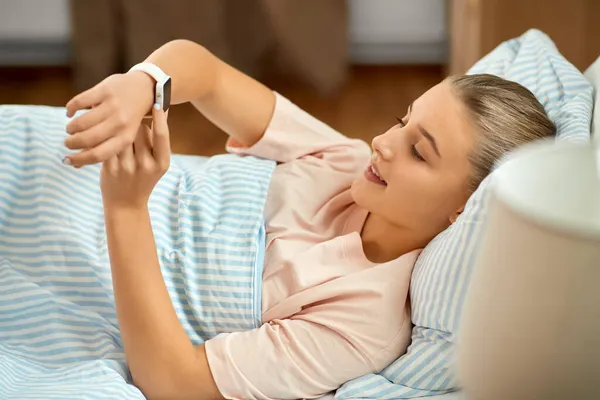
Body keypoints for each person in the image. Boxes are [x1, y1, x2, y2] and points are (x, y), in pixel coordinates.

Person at [60, 39, 556, 400]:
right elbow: (206, 73)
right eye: (404, 120)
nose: (383, 141)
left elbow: (176, 382)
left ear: (465, 211)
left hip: (72, 256)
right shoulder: (342, 160)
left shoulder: (363, 323)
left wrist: (126, 207)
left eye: (418, 152)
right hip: (61, 157)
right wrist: (144, 84)